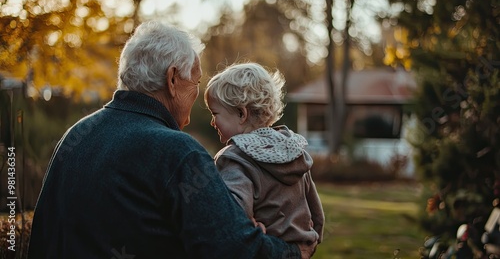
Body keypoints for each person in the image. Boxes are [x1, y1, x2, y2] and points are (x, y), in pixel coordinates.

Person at [27, 21, 317, 259]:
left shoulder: (75, 136)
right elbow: (234, 249)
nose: (198, 98)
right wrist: (294, 251)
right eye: (197, 82)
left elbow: (42, 235)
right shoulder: (178, 152)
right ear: (173, 79)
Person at [204, 63, 325, 246]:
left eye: (215, 114)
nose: (213, 122)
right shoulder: (293, 149)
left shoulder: (235, 158)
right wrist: (316, 236)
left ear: (241, 113)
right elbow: (316, 210)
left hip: (266, 248)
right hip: (301, 245)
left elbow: (232, 211)